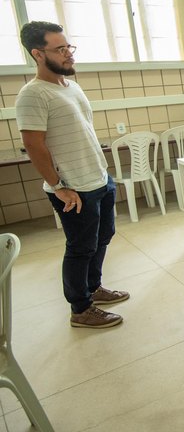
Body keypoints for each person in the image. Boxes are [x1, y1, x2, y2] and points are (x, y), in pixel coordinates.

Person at [15, 21, 129, 329]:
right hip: (73, 187)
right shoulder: (33, 94)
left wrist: (105, 178)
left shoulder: (70, 86)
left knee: (103, 238)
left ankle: (94, 288)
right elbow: (33, 145)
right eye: (60, 49)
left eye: (69, 47)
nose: (69, 55)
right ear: (38, 54)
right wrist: (58, 186)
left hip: (98, 179)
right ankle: (80, 308)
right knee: (80, 248)